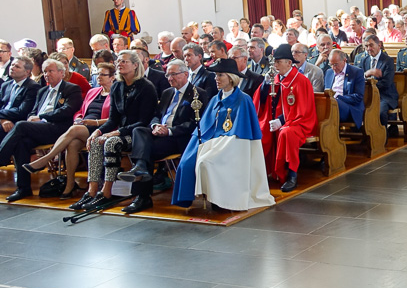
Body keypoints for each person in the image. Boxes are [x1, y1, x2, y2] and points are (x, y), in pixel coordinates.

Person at [0, 59, 83, 201]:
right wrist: (32, 118)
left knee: (21, 125)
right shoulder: (43, 91)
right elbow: (32, 111)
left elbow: (67, 111)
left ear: (61, 73)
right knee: (21, 142)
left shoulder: (71, 89)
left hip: (57, 129)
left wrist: (41, 117)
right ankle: (23, 188)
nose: (47, 74)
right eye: (45, 72)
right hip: (37, 127)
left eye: (51, 71)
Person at [172, 58, 274, 211]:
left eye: (220, 75)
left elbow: (241, 132)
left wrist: (217, 146)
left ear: (231, 78)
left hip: (232, 145)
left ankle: (219, 199)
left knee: (207, 162)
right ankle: (192, 197)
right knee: (186, 163)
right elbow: (205, 127)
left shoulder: (243, 100)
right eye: (215, 75)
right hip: (210, 142)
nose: (216, 79)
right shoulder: (215, 99)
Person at [71, 50, 158, 210]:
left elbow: (143, 121)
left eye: (124, 61)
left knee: (111, 142)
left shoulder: (146, 87)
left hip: (137, 134)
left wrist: (117, 132)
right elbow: (113, 119)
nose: (119, 64)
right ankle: (91, 191)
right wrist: (97, 132)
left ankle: (106, 191)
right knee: (96, 141)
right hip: (121, 131)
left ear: (135, 65)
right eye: (118, 61)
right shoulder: (117, 86)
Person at [115, 59, 204, 213]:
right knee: (139, 131)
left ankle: (142, 196)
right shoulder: (167, 92)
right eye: (168, 75)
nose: (170, 78)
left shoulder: (197, 93)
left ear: (185, 74)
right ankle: (140, 168)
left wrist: (169, 131)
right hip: (159, 132)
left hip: (177, 137)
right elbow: (156, 115)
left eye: (174, 74)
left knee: (146, 150)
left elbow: (194, 123)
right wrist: (155, 126)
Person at [24, 63, 114, 198]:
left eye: (103, 74)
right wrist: (78, 118)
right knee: (72, 144)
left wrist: (94, 122)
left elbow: (115, 118)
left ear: (112, 77)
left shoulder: (116, 93)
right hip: (83, 125)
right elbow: (80, 110)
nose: (98, 77)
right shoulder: (93, 91)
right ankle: (69, 184)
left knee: (74, 129)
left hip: (101, 127)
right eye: (97, 74)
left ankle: (46, 159)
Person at [266, 44, 318, 192]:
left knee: (287, 133)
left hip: (301, 122)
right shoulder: (276, 79)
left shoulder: (300, 80)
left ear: (289, 63)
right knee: (262, 129)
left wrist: (281, 121)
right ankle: (267, 170)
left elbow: (302, 109)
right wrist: (265, 84)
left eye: (278, 62)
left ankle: (291, 174)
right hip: (284, 120)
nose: (275, 66)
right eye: (274, 62)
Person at [360, 34, 398, 127]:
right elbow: (358, 79)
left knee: (380, 112)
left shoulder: (388, 60)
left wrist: (371, 87)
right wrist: (366, 74)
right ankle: (364, 133)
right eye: (366, 46)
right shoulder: (364, 60)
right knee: (355, 109)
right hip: (367, 95)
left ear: (379, 45)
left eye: (371, 45)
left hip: (384, 96)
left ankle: (382, 134)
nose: (369, 48)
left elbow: (387, 83)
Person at [325, 49, 366, 126]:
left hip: (350, 108)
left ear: (344, 60)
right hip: (331, 104)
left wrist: (338, 98)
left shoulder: (356, 72)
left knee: (333, 103)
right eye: (331, 64)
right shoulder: (329, 72)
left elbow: (358, 96)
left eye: (336, 64)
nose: (333, 68)